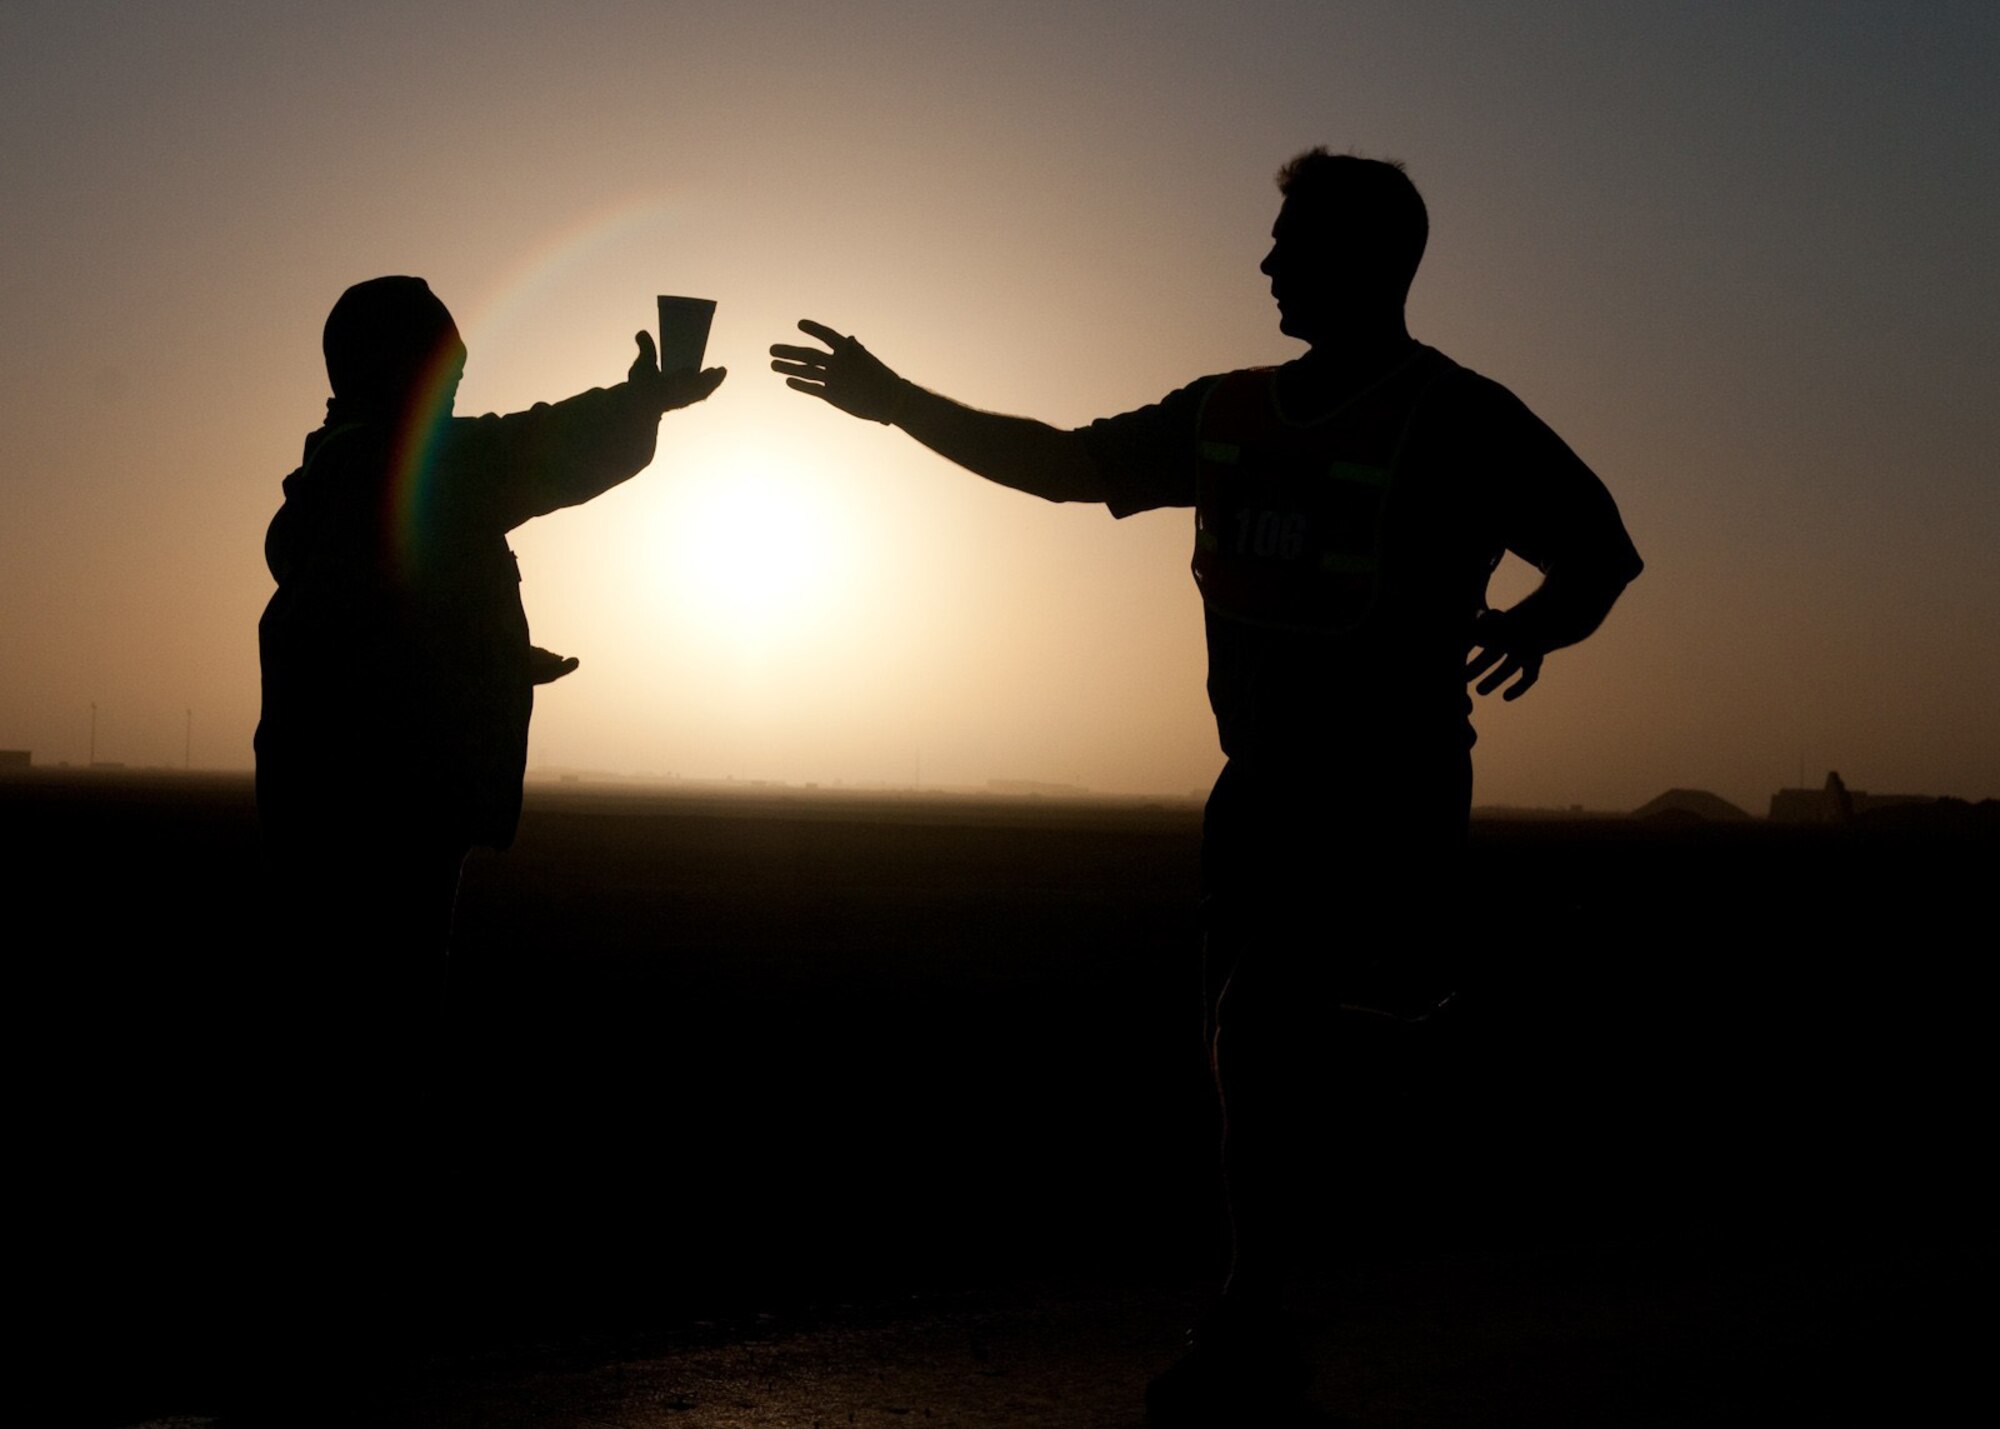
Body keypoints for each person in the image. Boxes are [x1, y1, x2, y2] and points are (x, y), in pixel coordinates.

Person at [771, 150, 1642, 1424]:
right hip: (1255, 796)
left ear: (1367, 260)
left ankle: (1253, 1313)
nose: (1267, 262)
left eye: (1291, 242)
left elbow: (1600, 549)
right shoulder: (1225, 411)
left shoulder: (1456, 416)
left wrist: (1534, 623)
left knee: (1256, 1032)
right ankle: (1320, 1223)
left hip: (1384, 790)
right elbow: (1064, 463)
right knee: (1254, 1053)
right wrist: (899, 401)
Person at [247, 275, 723, 1410]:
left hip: (332, 808)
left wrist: (494, 659)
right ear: (402, 372)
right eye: (446, 366)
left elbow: (385, 619)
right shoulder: (412, 468)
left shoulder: (333, 482)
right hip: (381, 814)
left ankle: (331, 1308)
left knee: (341, 1051)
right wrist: (645, 399)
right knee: (371, 1059)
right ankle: (351, 1331)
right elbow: (538, 452)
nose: (462, 381)